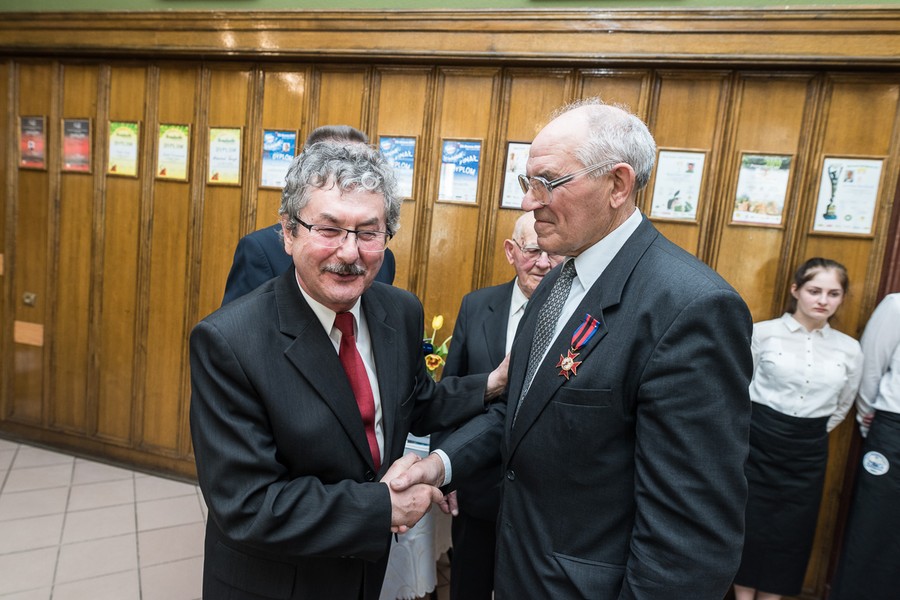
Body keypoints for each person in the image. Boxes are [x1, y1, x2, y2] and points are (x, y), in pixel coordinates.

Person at [392, 97, 754, 598]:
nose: (528, 201)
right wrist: (440, 464)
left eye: (548, 182)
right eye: (527, 182)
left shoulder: (690, 308)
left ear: (618, 184)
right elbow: (521, 413)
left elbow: (689, 538)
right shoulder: (559, 283)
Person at [190, 141, 507, 600]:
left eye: (368, 232)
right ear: (288, 233)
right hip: (276, 582)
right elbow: (247, 504)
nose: (350, 252)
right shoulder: (229, 341)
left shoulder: (399, 311)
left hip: (363, 573)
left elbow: (415, 400)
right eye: (329, 229)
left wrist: (492, 383)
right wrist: (382, 507)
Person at [432, 211, 562, 600]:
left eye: (552, 253)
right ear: (511, 251)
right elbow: (449, 393)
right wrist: (447, 473)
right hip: (477, 488)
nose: (543, 263)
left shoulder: (575, 315)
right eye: (533, 251)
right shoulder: (477, 305)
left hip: (543, 501)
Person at [733, 258, 863, 600]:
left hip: (809, 447)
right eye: (814, 291)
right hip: (758, 440)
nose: (823, 300)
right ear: (796, 290)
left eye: (833, 294)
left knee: (792, 531)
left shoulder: (850, 349)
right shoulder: (763, 333)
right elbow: (740, 388)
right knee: (750, 522)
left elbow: (843, 405)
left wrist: (808, 430)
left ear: (842, 298)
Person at [221, 125, 396, 305]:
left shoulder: (382, 258)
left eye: (362, 164)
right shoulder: (259, 249)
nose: (350, 254)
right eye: (329, 230)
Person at [830, 293, 900, 600]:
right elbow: (870, 367)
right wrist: (872, 419)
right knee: (875, 527)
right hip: (893, 428)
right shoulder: (896, 306)